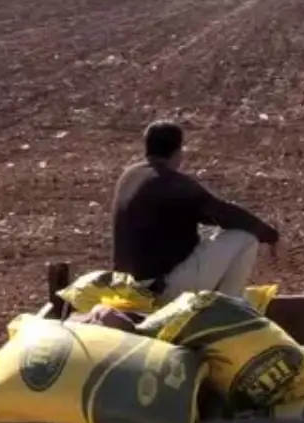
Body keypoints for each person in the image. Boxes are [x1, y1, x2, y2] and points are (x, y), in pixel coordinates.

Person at [111, 120, 280, 302]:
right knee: (245, 238)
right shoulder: (172, 183)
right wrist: (272, 236)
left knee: (206, 232)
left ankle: (219, 302)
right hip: (159, 289)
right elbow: (226, 215)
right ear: (178, 151)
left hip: (126, 286)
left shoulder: (128, 176)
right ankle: (227, 309)